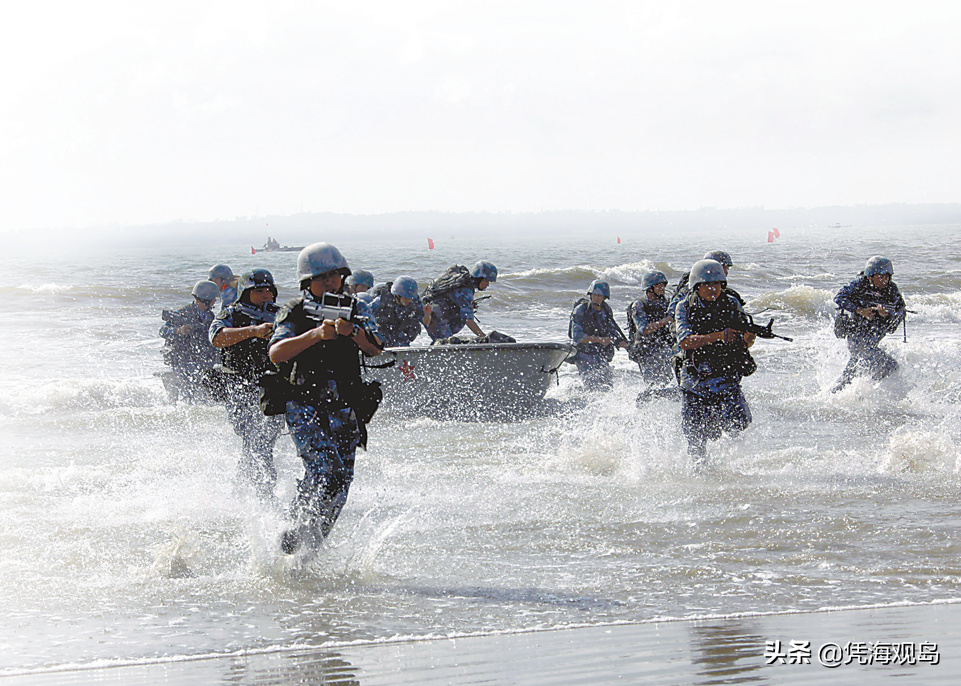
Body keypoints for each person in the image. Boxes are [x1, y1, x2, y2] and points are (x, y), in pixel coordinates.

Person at [268, 242, 384, 554]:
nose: (331, 282)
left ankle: (312, 548)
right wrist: (315, 334)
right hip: (305, 403)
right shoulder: (294, 310)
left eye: (336, 276)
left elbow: (376, 347)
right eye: (322, 278)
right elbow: (276, 352)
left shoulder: (356, 308)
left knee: (341, 484)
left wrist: (352, 332)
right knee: (325, 469)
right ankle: (293, 526)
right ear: (307, 282)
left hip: (345, 406)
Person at [209, 269, 285, 500]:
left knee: (264, 443)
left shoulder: (281, 314)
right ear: (245, 292)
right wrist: (253, 331)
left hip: (272, 388)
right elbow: (217, 338)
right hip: (240, 387)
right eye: (258, 291)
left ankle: (253, 491)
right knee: (252, 441)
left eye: (268, 291)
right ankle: (255, 492)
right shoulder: (230, 313)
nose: (265, 295)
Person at [675, 259, 756, 465]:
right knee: (695, 437)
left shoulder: (731, 303)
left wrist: (746, 340)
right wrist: (719, 335)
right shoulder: (684, 306)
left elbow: (742, 341)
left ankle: (722, 458)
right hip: (695, 379)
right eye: (707, 285)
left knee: (740, 422)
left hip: (725, 374)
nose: (713, 289)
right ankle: (700, 477)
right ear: (697, 286)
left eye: (717, 284)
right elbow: (684, 342)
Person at [831, 256, 906, 393]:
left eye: (887, 276)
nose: (885, 280)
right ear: (871, 276)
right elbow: (839, 297)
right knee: (888, 365)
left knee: (861, 369)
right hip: (857, 336)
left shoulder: (892, 289)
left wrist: (887, 315)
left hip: (873, 337)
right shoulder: (860, 284)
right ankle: (843, 395)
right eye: (880, 276)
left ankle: (857, 393)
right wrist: (860, 310)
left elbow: (901, 311)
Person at [159, 280, 220, 401]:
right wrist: (178, 330)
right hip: (183, 358)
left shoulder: (209, 316)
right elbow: (162, 331)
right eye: (213, 298)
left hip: (201, 358)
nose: (215, 301)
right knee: (190, 393)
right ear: (206, 299)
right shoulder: (182, 313)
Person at [569, 279, 629, 389]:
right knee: (591, 385)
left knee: (607, 385)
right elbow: (577, 337)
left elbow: (611, 329)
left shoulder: (606, 310)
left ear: (604, 297)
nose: (596, 298)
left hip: (601, 354)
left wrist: (620, 342)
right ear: (590, 295)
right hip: (584, 354)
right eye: (594, 295)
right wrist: (600, 340)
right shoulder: (581, 310)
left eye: (600, 296)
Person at [423, 260, 497, 341]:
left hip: (433, 311)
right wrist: (485, 338)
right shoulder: (465, 290)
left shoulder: (464, 282)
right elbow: (468, 320)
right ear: (479, 278)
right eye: (486, 280)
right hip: (432, 314)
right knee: (444, 343)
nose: (488, 284)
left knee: (446, 338)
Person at [627, 270, 675, 388]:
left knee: (667, 381)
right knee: (653, 384)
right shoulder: (639, 304)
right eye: (659, 286)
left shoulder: (665, 302)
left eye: (663, 285)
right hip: (646, 350)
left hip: (662, 348)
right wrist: (666, 320)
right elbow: (644, 329)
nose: (662, 288)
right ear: (650, 288)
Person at [369, 276, 425, 347]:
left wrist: (427, 314)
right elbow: (365, 314)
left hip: (401, 335)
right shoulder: (381, 300)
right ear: (398, 295)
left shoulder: (415, 301)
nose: (408, 300)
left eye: (410, 298)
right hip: (383, 334)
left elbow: (425, 321)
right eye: (406, 298)